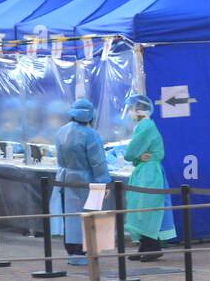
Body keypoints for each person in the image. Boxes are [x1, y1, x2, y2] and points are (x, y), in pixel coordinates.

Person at [55, 98, 110, 268]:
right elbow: (98, 162)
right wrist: (104, 182)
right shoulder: (91, 135)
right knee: (90, 215)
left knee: (70, 217)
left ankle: (72, 250)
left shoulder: (61, 131)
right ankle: (87, 251)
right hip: (88, 181)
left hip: (65, 179)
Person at [121, 94, 176, 262]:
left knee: (146, 210)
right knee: (141, 210)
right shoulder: (144, 126)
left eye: (131, 109)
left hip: (148, 174)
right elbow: (136, 154)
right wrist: (138, 158)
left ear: (138, 110)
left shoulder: (145, 127)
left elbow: (130, 152)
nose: (129, 112)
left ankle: (152, 246)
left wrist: (134, 157)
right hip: (145, 171)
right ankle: (145, 245)